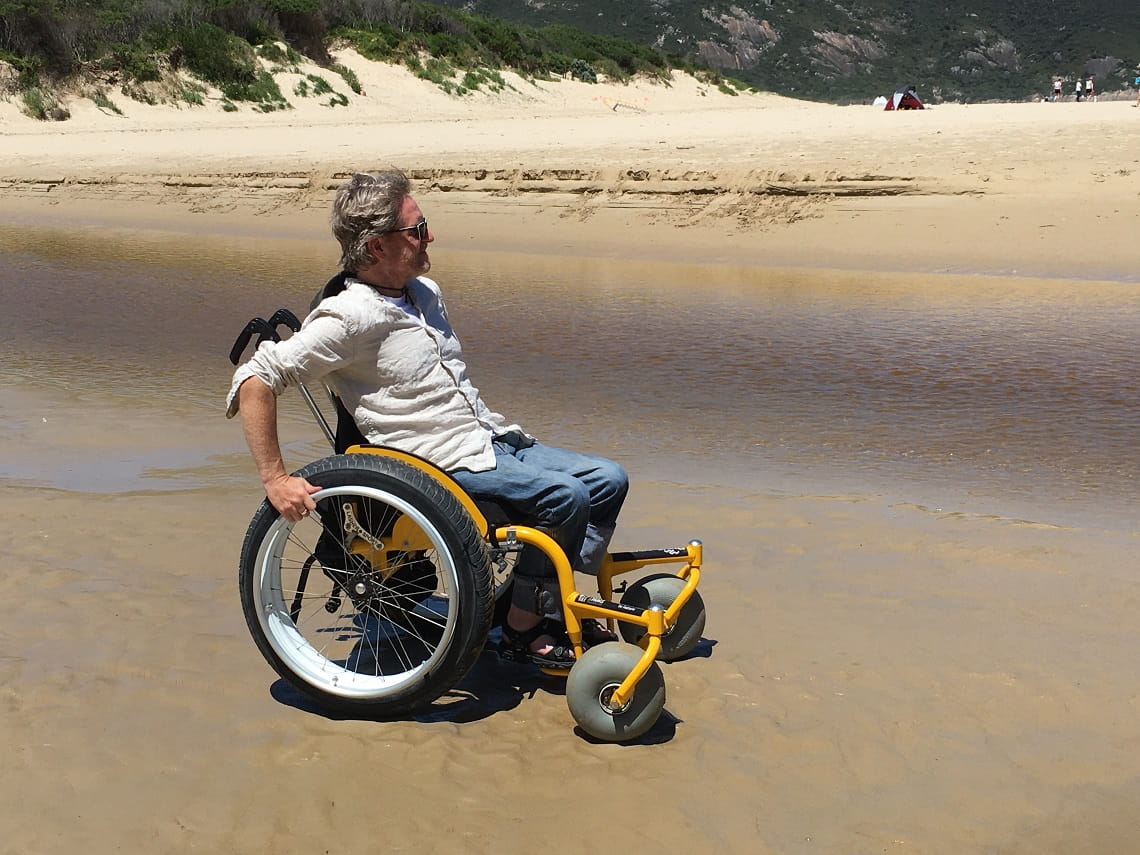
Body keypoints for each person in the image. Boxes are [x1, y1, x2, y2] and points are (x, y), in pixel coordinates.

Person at [226, 169, 628, 671]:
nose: (429, 236)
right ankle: (525, 628)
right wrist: (275, 478)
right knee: (564, 500)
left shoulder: (425, 293)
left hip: (488, 437)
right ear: (375, 247)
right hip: (435, 462)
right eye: (417, 229)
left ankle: (539, 599)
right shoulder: (350, 316)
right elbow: (256, 378)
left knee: (609, 480)